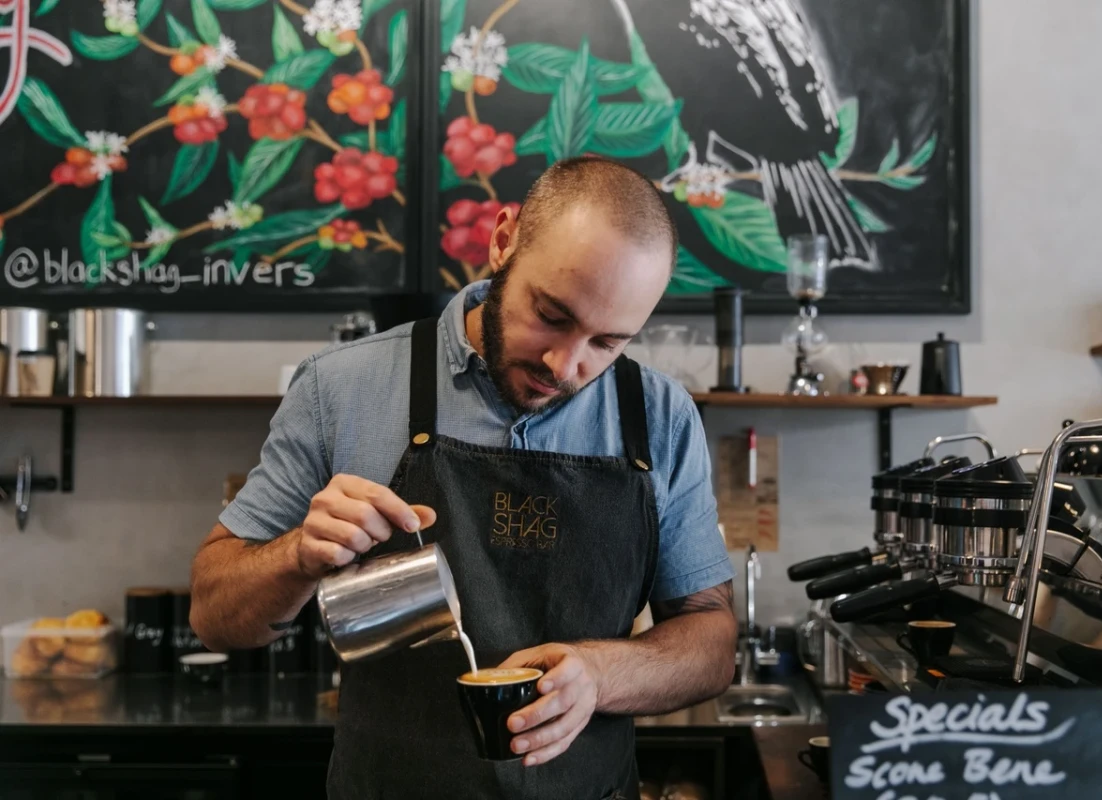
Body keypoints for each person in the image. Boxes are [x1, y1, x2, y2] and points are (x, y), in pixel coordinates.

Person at [189, 156, 738, 799]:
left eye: (607, 344)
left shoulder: (661, 417)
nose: (565, 366)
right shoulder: (341, 389)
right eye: (552, 316)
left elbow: (712, 642)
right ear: (503, 239)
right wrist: (297, 558)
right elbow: (214, 617)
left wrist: (600, 673)